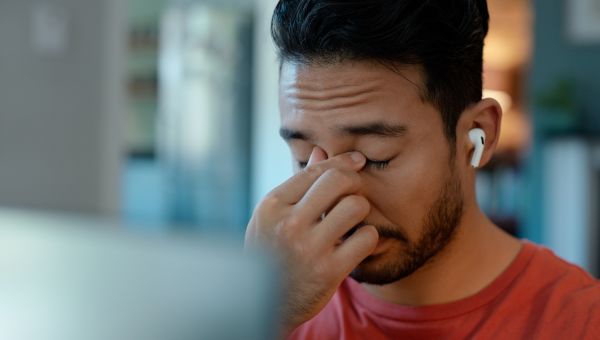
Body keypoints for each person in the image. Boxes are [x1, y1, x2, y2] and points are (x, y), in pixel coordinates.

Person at [244, 0, 600, 338]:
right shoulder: (275, 310)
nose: (334, 203)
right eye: (305, 158)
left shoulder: (581, 321)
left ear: (481, 135)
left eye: (375, 156)